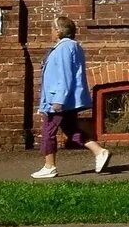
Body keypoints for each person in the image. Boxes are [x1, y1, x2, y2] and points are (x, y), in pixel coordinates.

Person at [33, 18, 110, 178]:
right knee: (70, 129)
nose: (51, 32)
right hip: (65, 99)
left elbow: (65, 75)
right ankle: (99, 151)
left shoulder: (64, 48)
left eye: (52, 29)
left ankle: (49, 166)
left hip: (59, 100)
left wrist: (58, 100)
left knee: (48, 131)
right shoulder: (71, 47)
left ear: (59, 31)